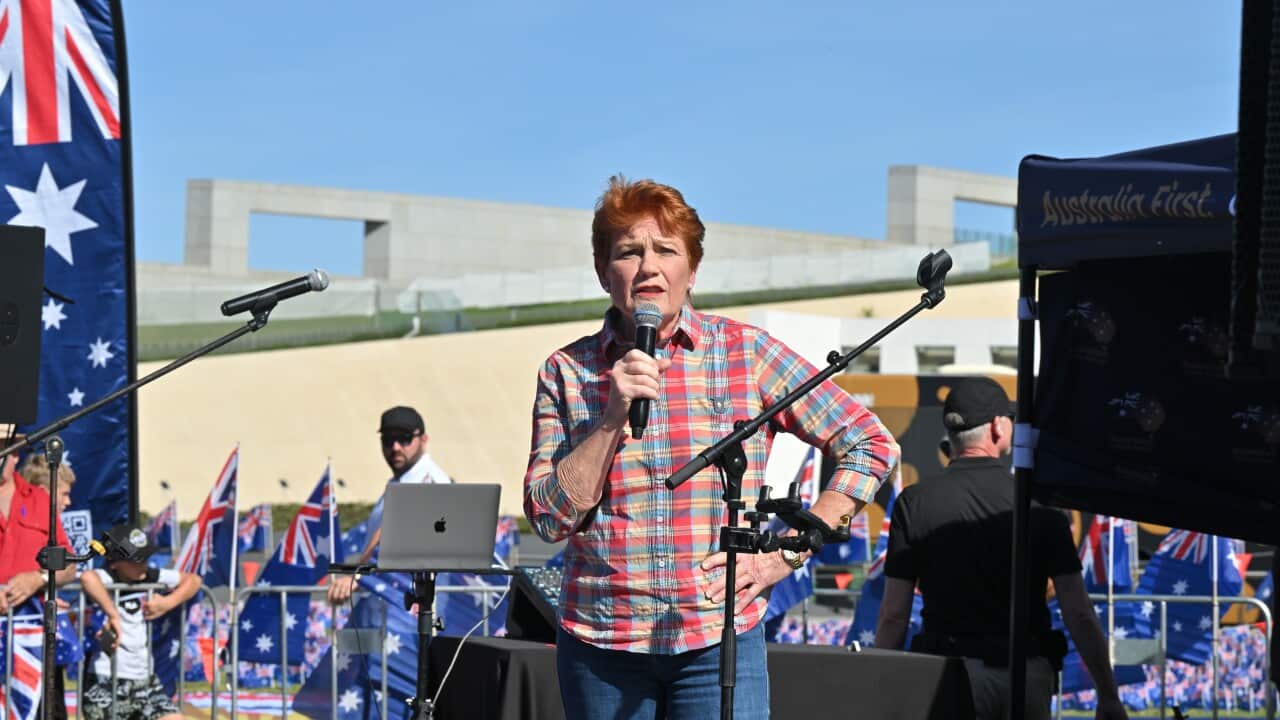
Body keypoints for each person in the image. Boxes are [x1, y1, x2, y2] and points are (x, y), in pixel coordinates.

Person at [524, 175, 900, 719]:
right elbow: (548, 520)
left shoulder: (746, 353)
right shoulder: (566, 371)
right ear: (606, 273)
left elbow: (869, 442)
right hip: (600, 645)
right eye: (629, 251)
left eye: (666, 250)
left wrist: (787, 551)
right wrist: (610, 417)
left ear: (692, 270)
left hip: (717, 637)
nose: (649, 266)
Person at [874, 377, 1128, 720]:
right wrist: (1108, 695)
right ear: (997, 427)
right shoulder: (1039, 504)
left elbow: (894, 614)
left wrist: (873, 689)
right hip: (1023, 676)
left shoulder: (913, 503)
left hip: (949, 675)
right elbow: (1078, 612)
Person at [327, 405, 452, 605]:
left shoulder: (426, 480)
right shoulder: (403, 480)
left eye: (404, 438)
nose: (395, 447)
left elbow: (394, 530)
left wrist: (358, 576)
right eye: (388, 440)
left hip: (408, 608)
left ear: (424, 439)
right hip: (394, 602)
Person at [81, 524, 202, 720]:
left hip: (145, 679)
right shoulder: (105, 577)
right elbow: (87, 578)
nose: (143, 565)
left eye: (145, 558)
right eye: (136, 560)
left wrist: (167, 603)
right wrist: (113, 614)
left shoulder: (149, 576)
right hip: (106, 678)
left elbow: (194, 580)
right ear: (114, 563)